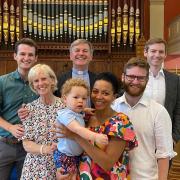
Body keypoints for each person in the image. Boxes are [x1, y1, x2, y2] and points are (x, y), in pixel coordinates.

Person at [55, 72, 138, 180]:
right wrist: (60, 168)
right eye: (95, 91)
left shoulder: (121, 122)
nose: (99, 96)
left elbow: (107, 163)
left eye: (105, 93)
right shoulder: (85, 117)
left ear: (114, 97)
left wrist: (76, 136)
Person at [111, 57, 176, 179]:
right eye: (131, 76)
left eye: (140, 78)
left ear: (147, 80)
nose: (135, 81)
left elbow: (164, 155)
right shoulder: (112, 107)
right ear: (123, 77)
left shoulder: (159, 112)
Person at [54, 78, 108, 179]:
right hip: (66, 156)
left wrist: (85, 110)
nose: (80, 101)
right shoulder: (65, 114)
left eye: (84, 99)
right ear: (65, 99)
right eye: (76, 97)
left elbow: (79, 113)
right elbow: (78, 129)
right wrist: (95, 136)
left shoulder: (77, 112)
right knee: (68, 178)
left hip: (76, 156)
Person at [0, 38, 38, 180]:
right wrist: (11, 128)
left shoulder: (40, 83)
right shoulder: (2, 82)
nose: (26, 58)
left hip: (30, 146)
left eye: (30, 55)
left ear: (35, 58)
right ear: (15, 56)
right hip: (4, 144)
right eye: (22, 54)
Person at [20, 64, 65, 179]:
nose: (40, 83)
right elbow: (26, 144)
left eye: (44, 79)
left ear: (52, 80)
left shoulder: (65, 106)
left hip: (60, 166)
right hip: (34, 167)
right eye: (36, 81)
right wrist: (45, 149)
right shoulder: (28, 109)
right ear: (33, 85)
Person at [143, 37, 180, 143]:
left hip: (165, 137)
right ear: (146, 53)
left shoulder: (175, 80)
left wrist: (174, 137)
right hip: (140, 136)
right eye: (153, 51)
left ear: (165, 55)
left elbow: (178, 110)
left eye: (161, 52)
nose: (157, 55)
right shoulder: (137, 77)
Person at [56, 39, 96, 107]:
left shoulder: (97, 79)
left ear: (91, 56)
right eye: (77, 50)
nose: (81, 53)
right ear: (71, 56)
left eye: (85, 51)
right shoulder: (59, 80)